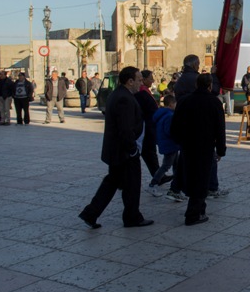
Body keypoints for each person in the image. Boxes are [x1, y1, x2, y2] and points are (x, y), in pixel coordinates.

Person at [79, 66, 153, 229]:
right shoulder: (124, 98)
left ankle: (91, 213)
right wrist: (132, 150)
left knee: (112, 182)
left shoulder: (120, 94)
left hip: (118, 151)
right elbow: (125, 128)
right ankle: (132, 217)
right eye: (139, 80)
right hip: (124, 153)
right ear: (130, 81)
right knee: (132, 184)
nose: (141, 84)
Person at [170, 74, 226, 226]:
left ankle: (200, 208)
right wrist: (221, 149)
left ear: (196, 84)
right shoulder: (214, 102)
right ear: (209, 86)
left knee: (191, 174)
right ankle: (193, 214)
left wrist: (178, 140)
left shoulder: (184, 101)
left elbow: (175, 124)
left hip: (187, 145)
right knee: (201, 178)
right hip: (205, 146)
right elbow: (220, 128)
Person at [148, 94, 185, 201]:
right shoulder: (169, 116)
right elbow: (170, 131)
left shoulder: (161, 114)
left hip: (167, 144)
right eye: (175, 104)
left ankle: (176, 185)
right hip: (170, 144)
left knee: (176, 165)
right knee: (166, 166)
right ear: (171, 104)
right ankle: (153, 184)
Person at [134, 70, 162, 181]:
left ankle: (158, 175)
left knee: (149, 152)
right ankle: (158, 175)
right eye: (150, 78)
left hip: (149, 126)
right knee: (149, 151)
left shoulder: (145, 91)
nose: (153, 80)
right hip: (146, 127)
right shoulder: (141, 92)